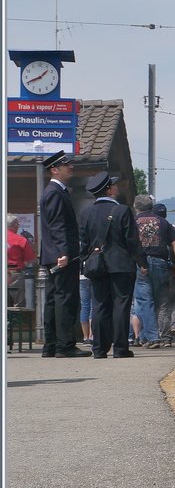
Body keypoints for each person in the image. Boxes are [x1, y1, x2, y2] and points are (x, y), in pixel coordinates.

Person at [80, 173, 145, 358]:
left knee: (99, 305)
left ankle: (99, 349)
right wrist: (142, 262)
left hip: (96, 265)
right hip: (121, 265)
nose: (116, 188)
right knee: (121, 305)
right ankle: (120, 348)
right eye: (113, 185)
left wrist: (86, 262)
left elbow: (83, 243)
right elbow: (132, 241)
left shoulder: (86, 212)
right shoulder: (123, 211)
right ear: (109, 190)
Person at [39, 151, 85, 357]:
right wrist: (64, 252)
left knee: (53, 299)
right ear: (54, 170)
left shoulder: (55, 192)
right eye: (66, 165)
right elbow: (58, 226)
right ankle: (64, 345)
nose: (71, 167)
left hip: (53, 254)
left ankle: (51, 344)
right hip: (61, 255)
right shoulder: (55, 193)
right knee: (65, 298)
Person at [133, 195, 175, 348]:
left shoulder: (133, 222)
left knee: (145, 301)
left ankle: (150, 337)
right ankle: (165, 337)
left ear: (136, 207)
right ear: (151, 207)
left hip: (140, 264)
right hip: (160, 263)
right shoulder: (163, 222)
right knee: (162, 301)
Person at [154, 203, 175, 342]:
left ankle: (166, 337)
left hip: (159, 269)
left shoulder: (151, 228)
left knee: (163, 304)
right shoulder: (174, 228)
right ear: (166, 214)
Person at [7, 214, 35, 307]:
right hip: (15, 275)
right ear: (14, 225)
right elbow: (30, 260)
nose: (18, 226)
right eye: (18, 224)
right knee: (18, 306)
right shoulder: (21, 240)